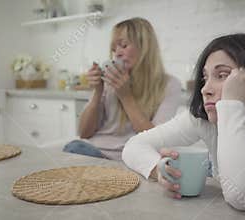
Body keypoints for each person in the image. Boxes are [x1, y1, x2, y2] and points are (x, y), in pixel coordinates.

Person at [122, 33, 245, 210]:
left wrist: (232, 105)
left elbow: (243, 197)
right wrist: (159, 170)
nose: (205, 89)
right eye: (205, 77)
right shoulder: (206, 121)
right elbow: (134, 146)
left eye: (222, 75)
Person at [63, 17, 182, 160]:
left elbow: (156, 141)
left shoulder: (169, 85)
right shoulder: (109, 80)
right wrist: (97, 92)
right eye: (114, 49)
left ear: (145, 47)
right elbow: (84, 133)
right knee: (74, 147)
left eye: (124, 46)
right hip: (94, 150)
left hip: (132, 157)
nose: (117, 53)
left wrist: (125, 96)